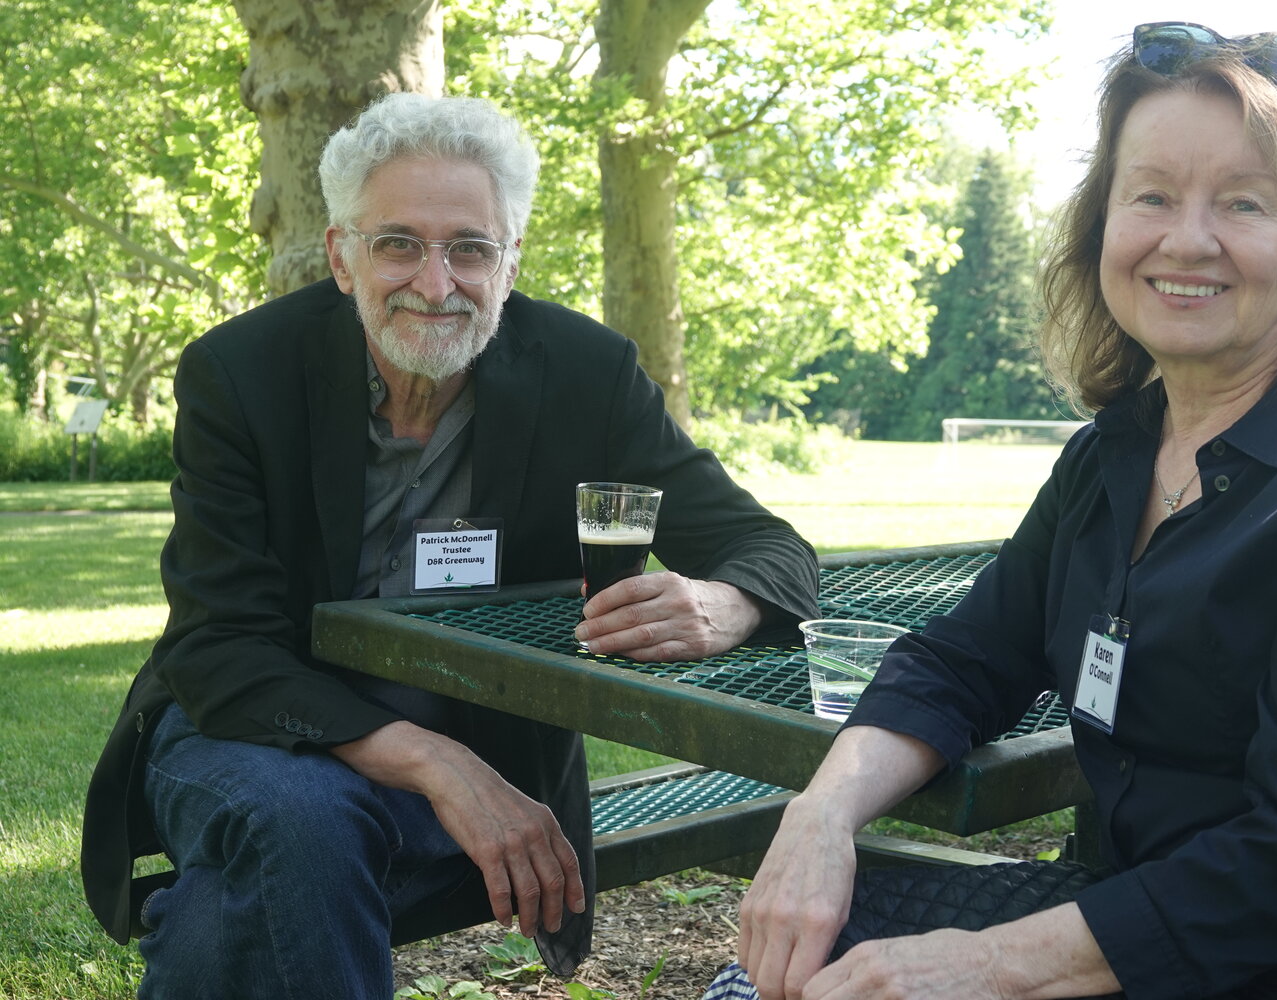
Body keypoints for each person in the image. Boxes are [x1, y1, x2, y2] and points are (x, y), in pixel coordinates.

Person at [717, 21, 1277, 1000]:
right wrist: (820, 819)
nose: (1187, 237)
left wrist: (988, 963)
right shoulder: (1111, 458)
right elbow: (963, 659)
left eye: (1245, 203)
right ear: (1103, 233)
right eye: (1153, 196)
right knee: (784, 961)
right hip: (1134, 932)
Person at [79, 92, 821, 999]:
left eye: (470, 247)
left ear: (511, 262)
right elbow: (219, 644)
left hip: (457, 755)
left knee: (224, 910)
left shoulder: (587, 374)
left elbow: (767, 547)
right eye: (399, 243)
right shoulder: (242, 373)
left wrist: (723, 602)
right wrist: (443, 769)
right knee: (302, 816)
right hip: (238, 726)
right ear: (342, 258)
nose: (436, 284)